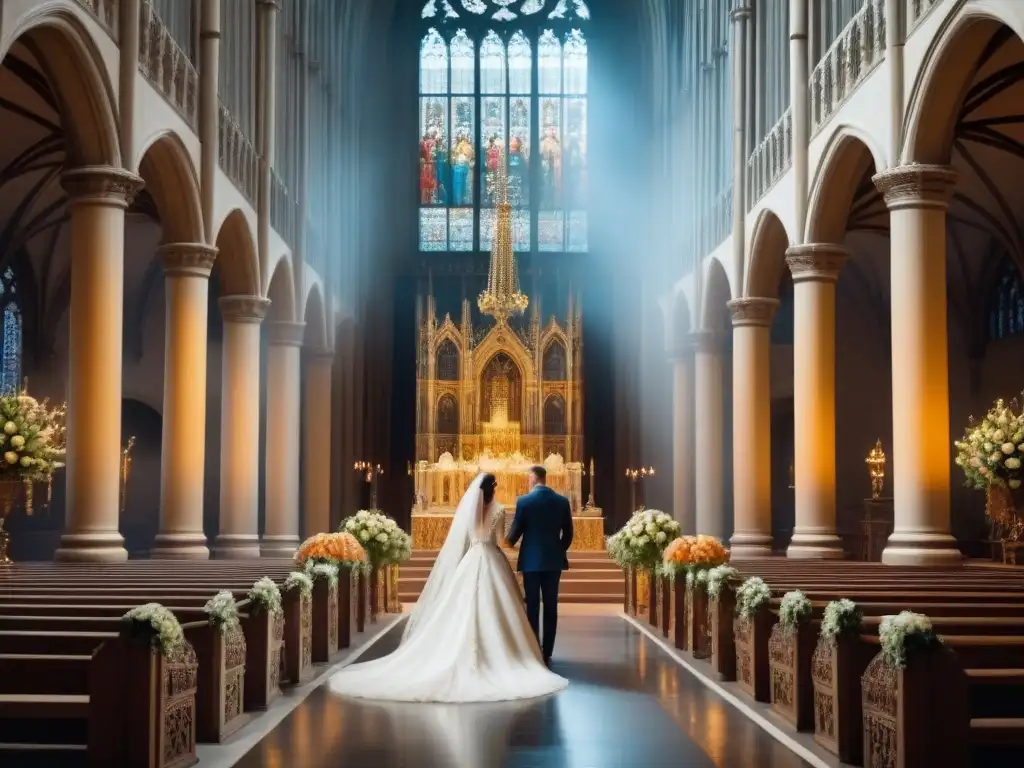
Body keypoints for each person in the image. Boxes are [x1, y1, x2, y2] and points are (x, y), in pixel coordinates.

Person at [328, 473, 567, 703]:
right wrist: (517, 549)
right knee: (507, 605)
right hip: (494, 558)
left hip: (472, 557)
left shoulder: (471, 511)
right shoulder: (499, 510)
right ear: (493, 488)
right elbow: (503, 541)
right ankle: (528, 651)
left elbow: (468, 537)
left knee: (462, 606)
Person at [506, 465, 574, 666]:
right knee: (551, 605)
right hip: (553, 562)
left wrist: (503, 544)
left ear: (534, 478)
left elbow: (516, 530)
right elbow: (568, 533)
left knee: (533, 605)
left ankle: (533, 647)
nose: (528, 480)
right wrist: (557, 550)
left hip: (530, 561)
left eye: (529, 477)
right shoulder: (562, 502)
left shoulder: (524, 501)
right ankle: (548, 650)